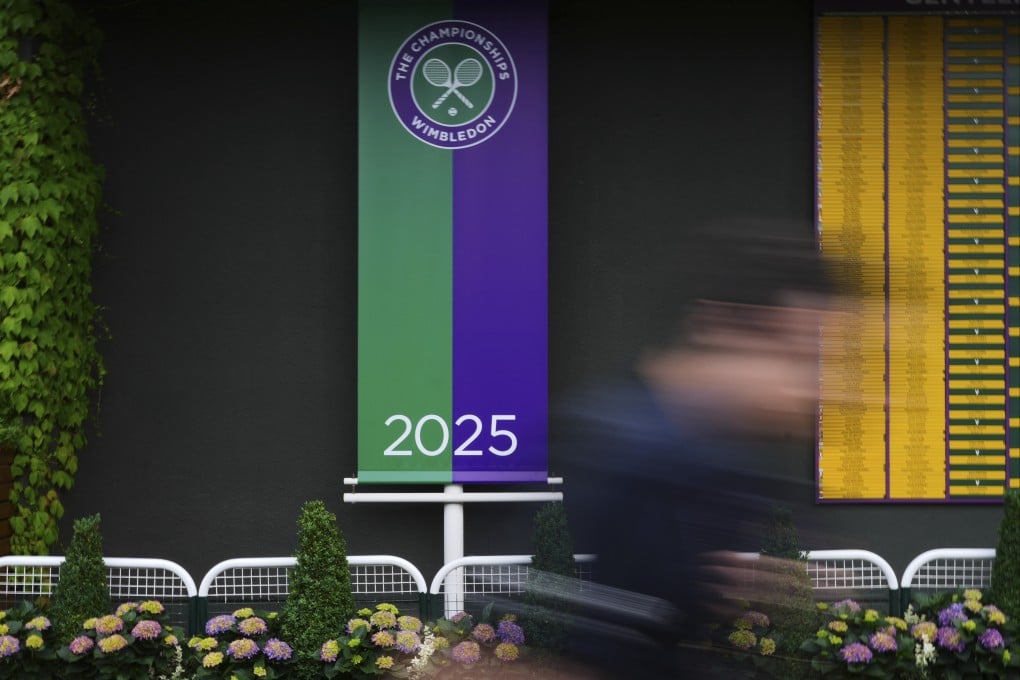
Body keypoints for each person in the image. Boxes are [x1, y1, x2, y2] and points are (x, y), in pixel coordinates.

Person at [546, 217, 841, 678]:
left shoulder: (717, 459)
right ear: (719, 327)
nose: (808, 387)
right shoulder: (629, 451)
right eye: (795, 355)